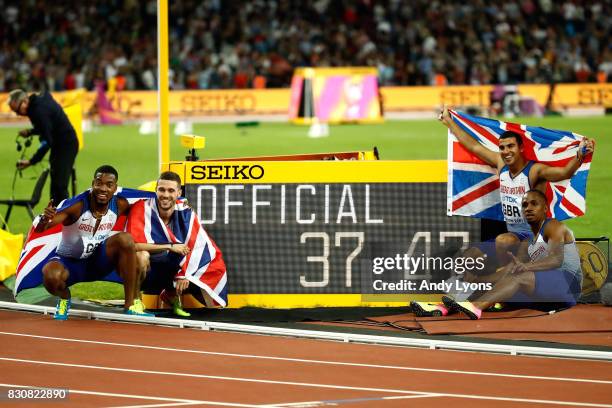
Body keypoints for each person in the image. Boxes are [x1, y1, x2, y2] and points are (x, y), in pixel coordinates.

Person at [439, 106, 594, 264]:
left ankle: (509, 275)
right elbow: (474, 146)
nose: (506, 151)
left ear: (520, 148)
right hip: (515, 235)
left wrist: (579, 155)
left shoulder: (534, 171)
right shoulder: (501, 165)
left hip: (536, 237)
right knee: (471, 256)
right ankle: (504, 273)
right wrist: (449, 122)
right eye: (502, 148)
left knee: (504, 244)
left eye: (510, 146)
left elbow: (564, 173)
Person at [442, 190, 583, 320]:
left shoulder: (554, 226)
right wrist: (477, 280)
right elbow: (510, 271)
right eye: (525, 205)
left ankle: (475, 308)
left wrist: (526, 266)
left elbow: (556, 259)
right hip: (546, 291)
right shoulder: (527, 242)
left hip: (568, 284)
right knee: (496, 287)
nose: (528, 208)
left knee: (519, 277)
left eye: (534, 204)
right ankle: (447, 307)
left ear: (545, 208)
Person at [35, 165, 152, 319]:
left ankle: (130, 304)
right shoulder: (78, 206)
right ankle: (64, 299)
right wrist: (45, 218)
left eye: (109, 185)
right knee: (50, 276)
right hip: (70, 263)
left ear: (115, 188)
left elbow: (147, 209)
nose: (103, 188)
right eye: (99, 183)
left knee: (126, 240)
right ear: (93, 184)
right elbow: (42, 228)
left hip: (99, 261)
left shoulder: (119, 204)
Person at [130, 171, 194, 317]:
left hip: (168, 267)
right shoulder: (142, 208)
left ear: (179, 193)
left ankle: (170, 296)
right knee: (141, 256)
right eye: (161, 189)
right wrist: (168, 246)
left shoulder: (185, 213)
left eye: (171, 190)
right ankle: (135, 301)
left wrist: (184, 273)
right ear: (155, 190)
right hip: (145, 269)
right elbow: (132, 246)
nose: (165, 195)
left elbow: (196, 246)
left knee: (195, 268)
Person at [8, 89, 79, 206]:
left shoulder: (37, 111)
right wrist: (31, 132)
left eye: (17, 110)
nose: (18, 114)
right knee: (56, 187)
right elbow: (48, 126)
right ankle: (56, 218)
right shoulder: (38, 103)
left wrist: (32, 161)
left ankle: (66, 219)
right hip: (62, 143)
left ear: (25, 100)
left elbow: (48, 140)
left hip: (66, 145)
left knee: (59, 186)